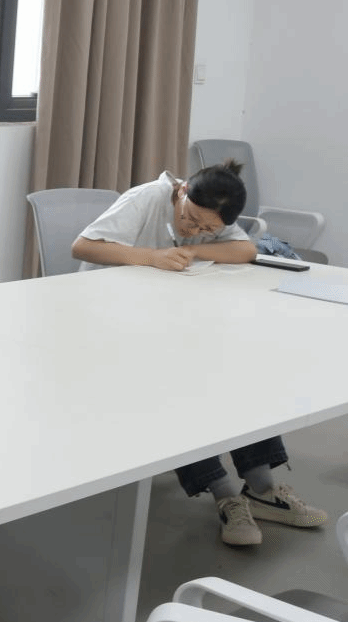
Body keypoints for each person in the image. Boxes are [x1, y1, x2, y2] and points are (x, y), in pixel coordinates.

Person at [72, 161, 328, 546]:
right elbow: (82, 246)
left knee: (236, 367)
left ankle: (262, 489)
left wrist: (191, 247)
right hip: (102, 322)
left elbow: (245, 249)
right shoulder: (147, 198)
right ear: (181, 191)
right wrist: (151, 256)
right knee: (179, 379)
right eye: (189, 219)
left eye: (206, 228)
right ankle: (225, 494)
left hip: (160, 317)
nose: (193, 229)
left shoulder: (209, 214)